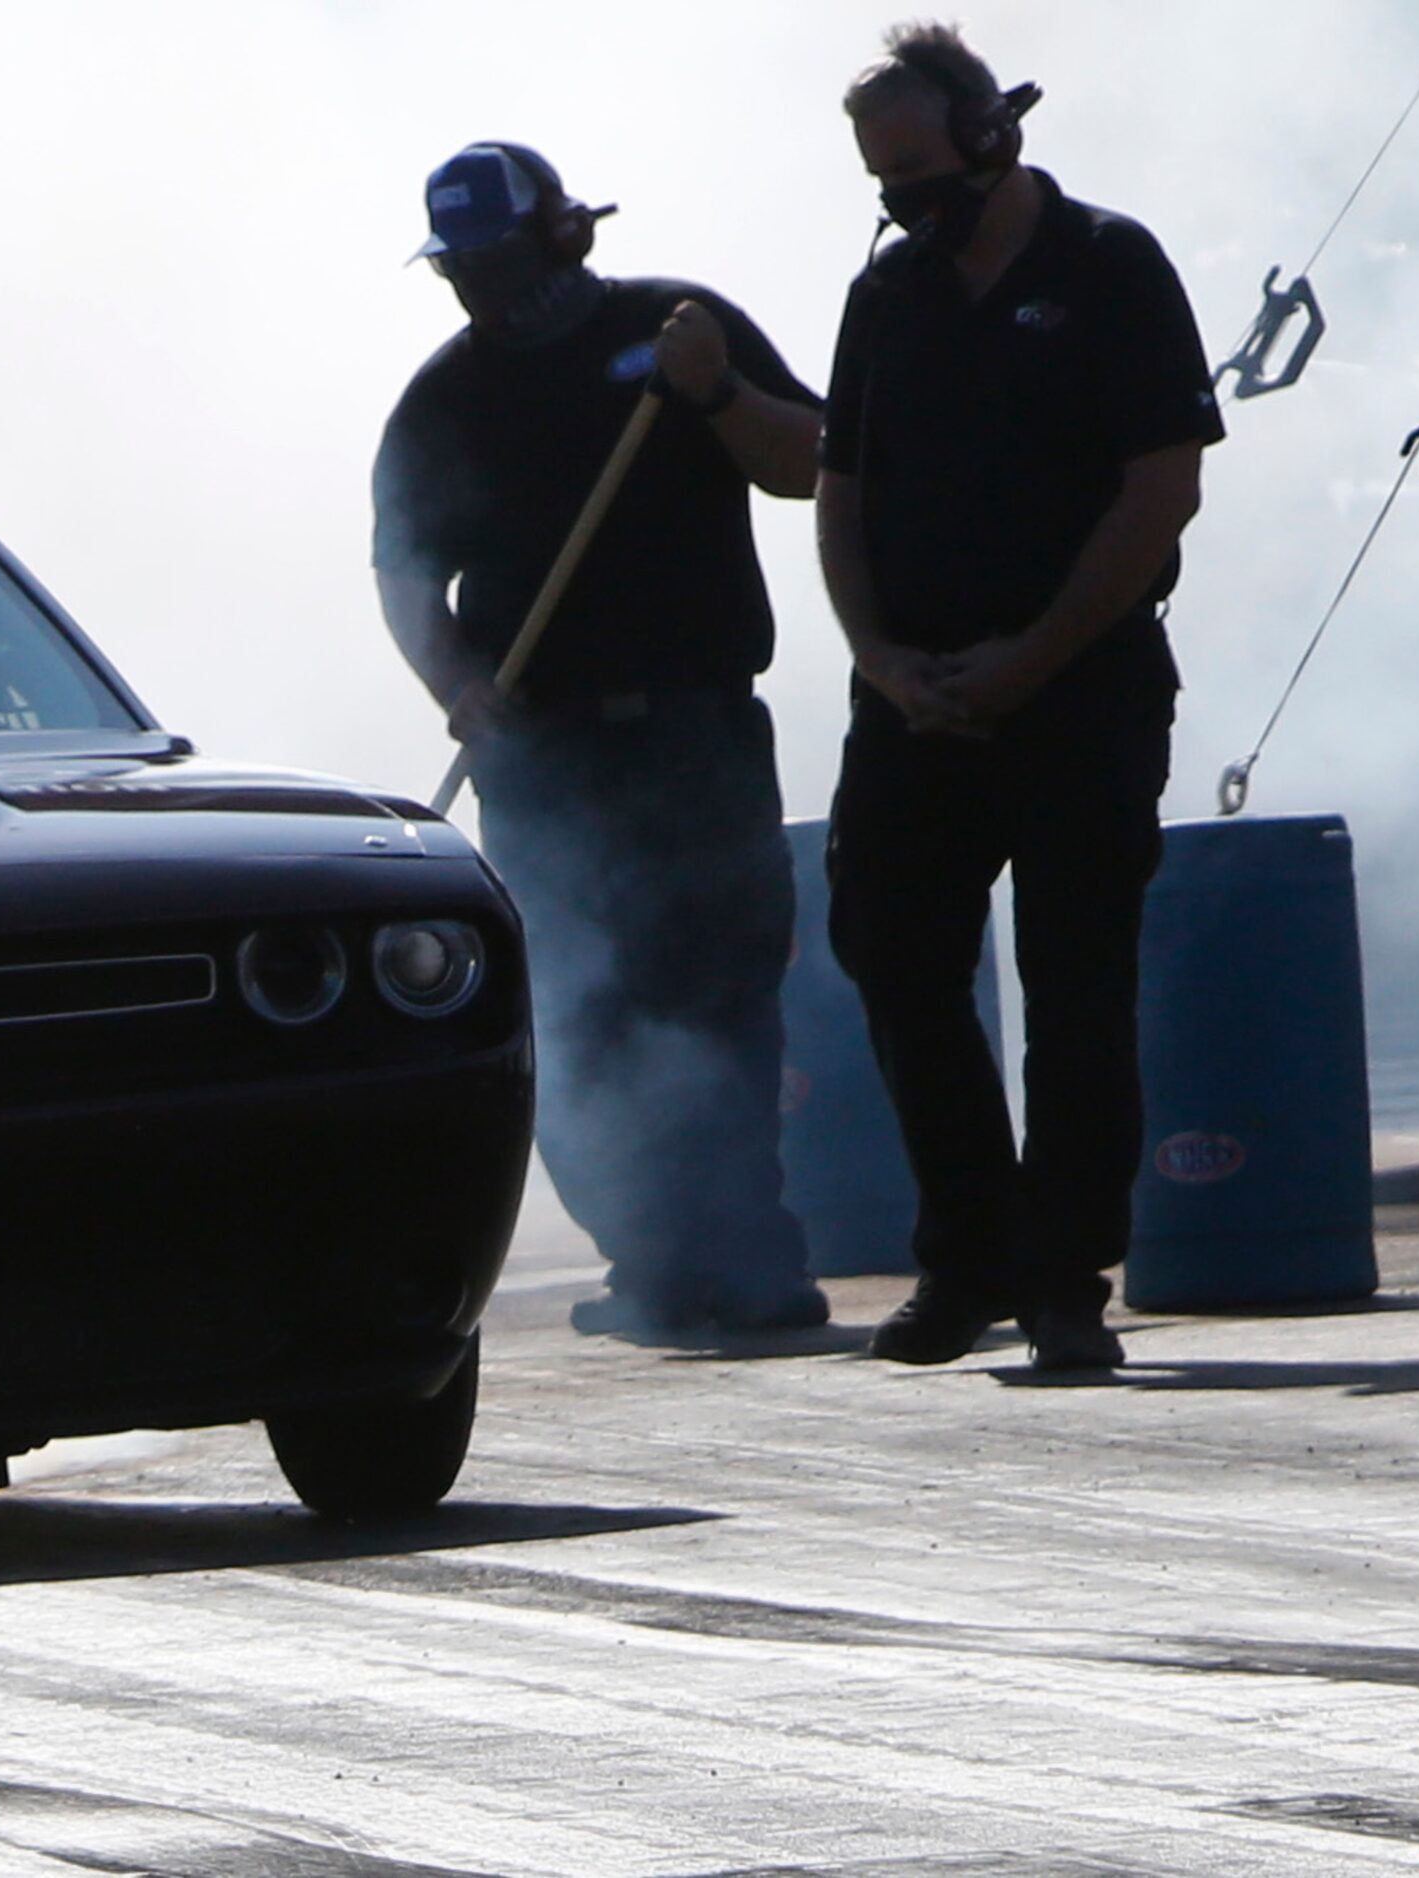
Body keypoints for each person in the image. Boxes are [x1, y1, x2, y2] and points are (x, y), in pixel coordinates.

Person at [372, 142, 830, 1339]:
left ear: (567, 234)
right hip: (543, 760)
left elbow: (814, 466)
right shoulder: (446, 401)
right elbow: (405, 569)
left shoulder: (676, 333)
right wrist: (456, 683)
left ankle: (744, 1259)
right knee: (575, 1014)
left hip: (696, 735)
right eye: (466, 274)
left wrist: (715, 392)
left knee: (723, 1001)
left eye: (508, 261)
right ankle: (651, 1259)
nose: (492, 292)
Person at [816, 24, 1221, 1371]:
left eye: (922, 174)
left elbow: (1160, 485)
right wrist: (878, 658)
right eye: (884, 184)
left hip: (1078, 683)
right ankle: (966, 1251)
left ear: (991, 138)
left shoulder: (1107, 266)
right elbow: (840, 496)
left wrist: (1032, 653)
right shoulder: (886, 293)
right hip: (915, 692)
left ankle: (1061, 1277)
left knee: (1074, 979)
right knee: (890, 954)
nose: (905, 206)